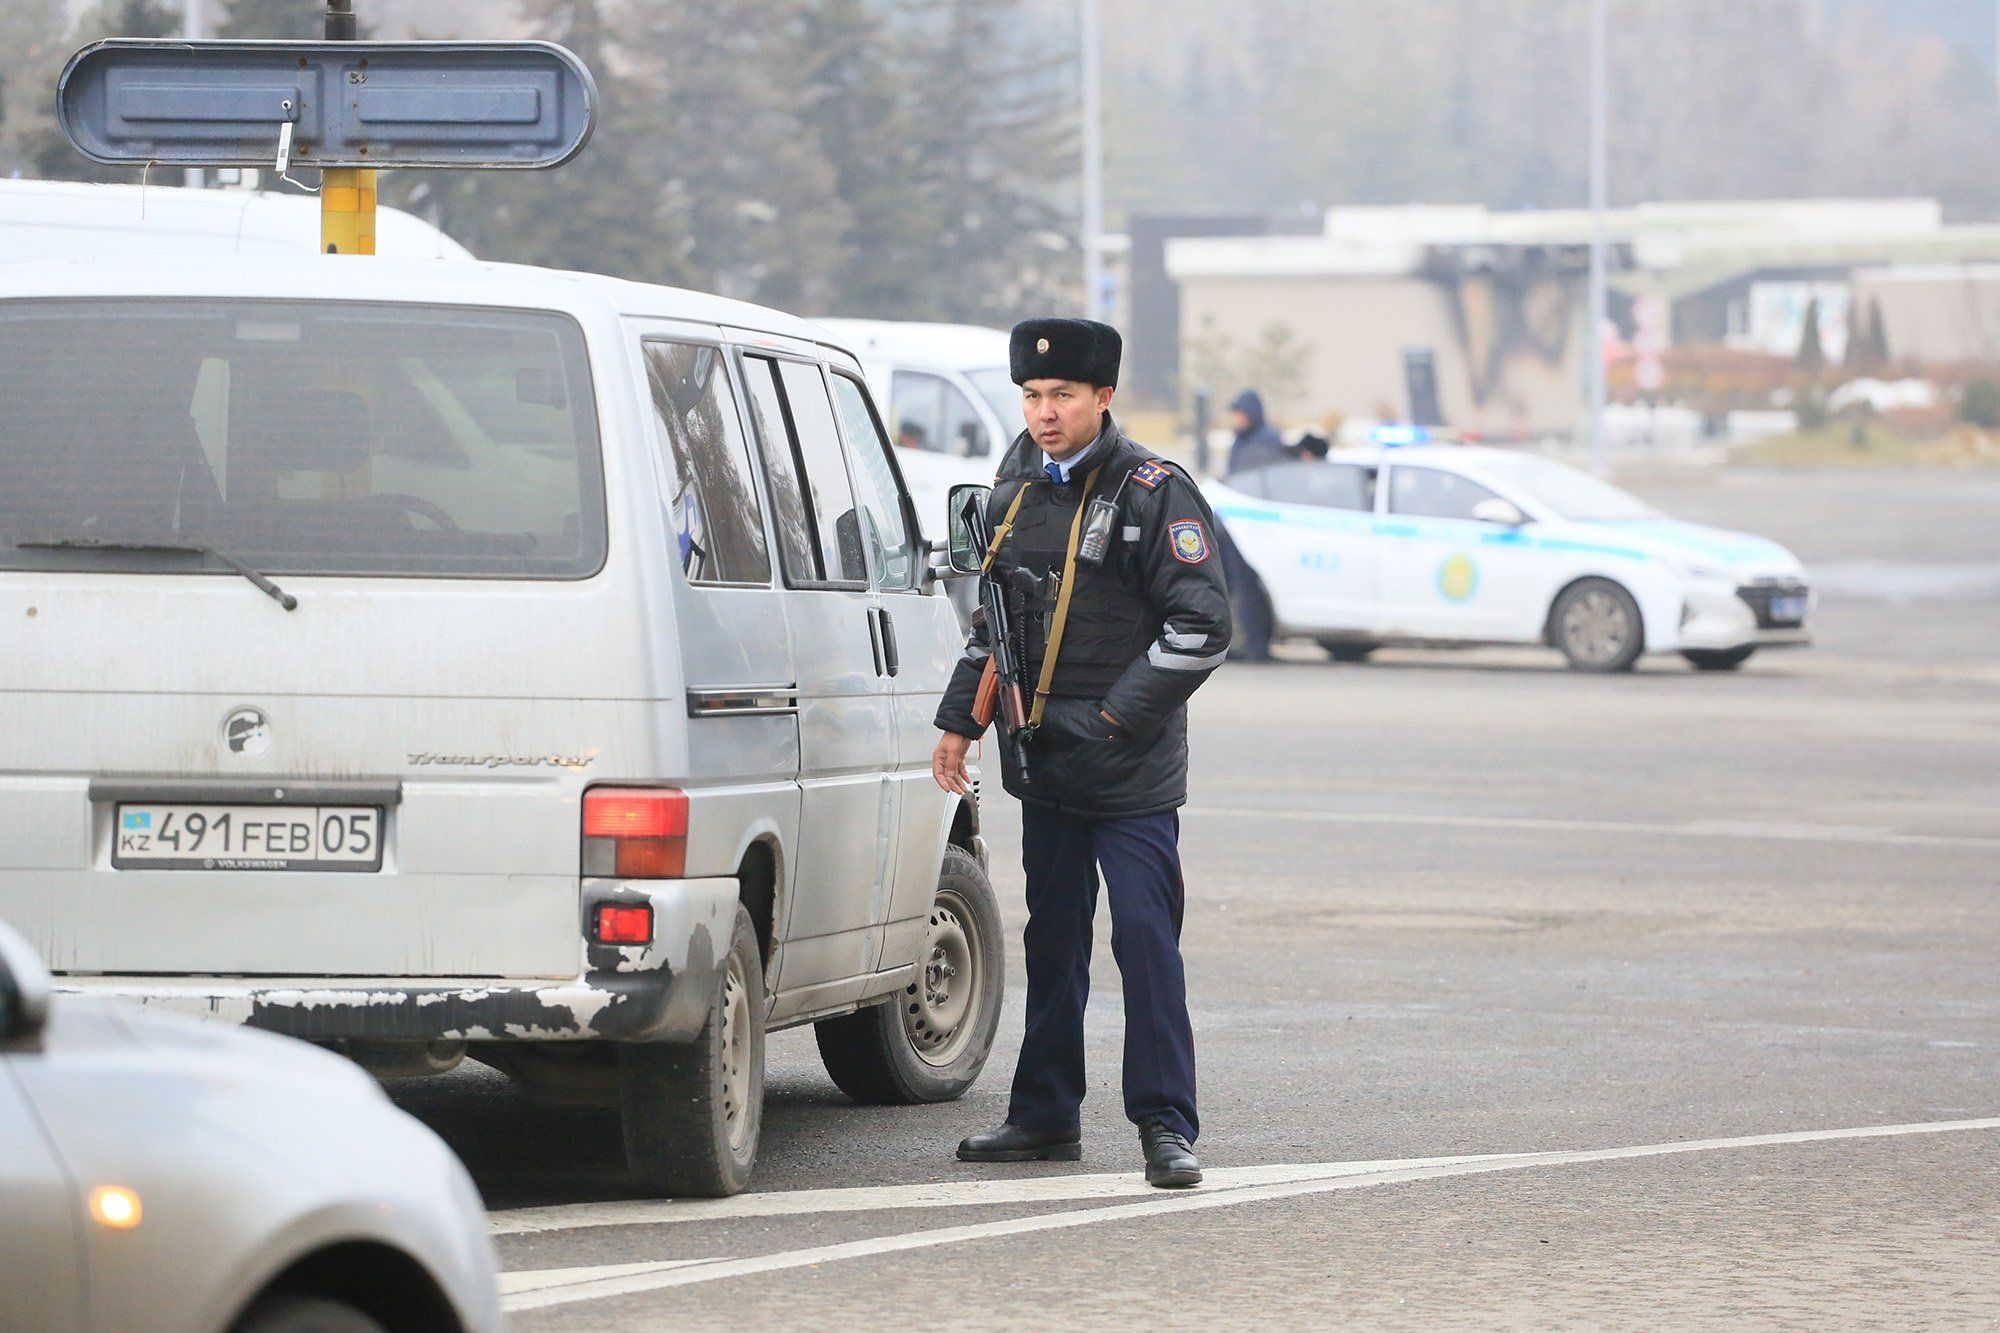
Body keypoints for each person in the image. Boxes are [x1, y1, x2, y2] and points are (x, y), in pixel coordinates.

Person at [932, 317, 1230, 1189]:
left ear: (1104, 396)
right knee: (1052, 942)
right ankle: (1044, 1112)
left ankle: (1167, 1125)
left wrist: (1109, 719)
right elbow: (995, 625)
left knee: (1144, 941)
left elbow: (1202, 626)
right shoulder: (1014, 486)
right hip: (1046, 764)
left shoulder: (1154, 490)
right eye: (1032, 395)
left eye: (1063, 395)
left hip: (1130, 772)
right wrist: (961, 721)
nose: (1045, 411)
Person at [1224, 388, 1288, 476]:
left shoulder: (1269, 438)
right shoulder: (1240, 438)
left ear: (1251, 413)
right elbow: (1232, 471)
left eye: (1240, 414)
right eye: (1236, 414)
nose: (1237, 419)